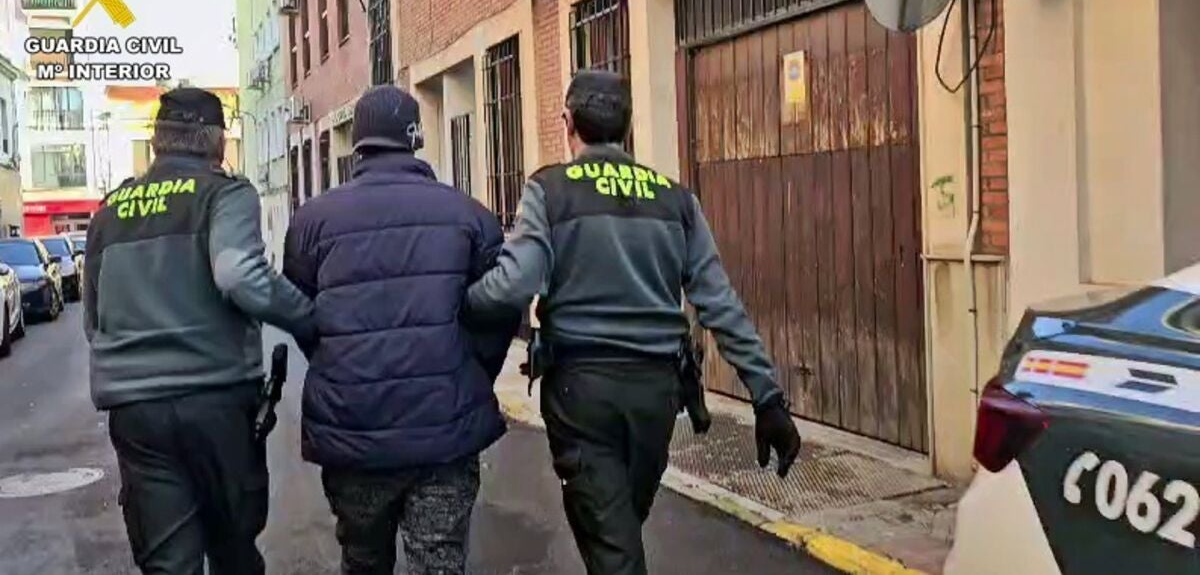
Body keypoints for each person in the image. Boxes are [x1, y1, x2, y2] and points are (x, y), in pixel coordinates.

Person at [465, 70, 803, 575]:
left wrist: (463, 302)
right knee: (620, 532)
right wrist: (767, 396)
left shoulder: (549, 190)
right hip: (656, 396)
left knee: (614, 546)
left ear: (567, 122)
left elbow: (515, 282)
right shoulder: (674, 199)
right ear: (627, 126)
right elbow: (719, 303)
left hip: (582, 395)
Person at [283, 85, 518, 575]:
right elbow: (501, 308)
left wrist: (336, 362)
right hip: (444, 427)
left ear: (358, 143)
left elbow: (300, 313)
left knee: (363, 559)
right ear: (415, 138)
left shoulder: (312, 221)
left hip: (352, 427)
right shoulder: (469, 214)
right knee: (439, 561)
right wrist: (472, 373)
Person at [84, 88, 316, 574]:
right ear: (216, 142)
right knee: (232, 549)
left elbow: (94, 320)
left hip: (136, 410)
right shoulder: (224, 194)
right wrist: (310, 320)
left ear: (157, 141)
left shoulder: (109, 212)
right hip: (216, 399)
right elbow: (238, 274)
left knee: (168, 563)